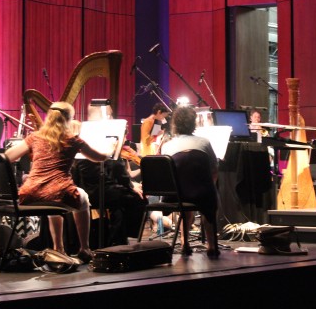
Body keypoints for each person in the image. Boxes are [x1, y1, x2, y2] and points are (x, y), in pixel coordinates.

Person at [5, 101, 113, 263]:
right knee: (82, 197)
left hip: (30, 193)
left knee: (51, 198)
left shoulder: (34, 137)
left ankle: (58, 248)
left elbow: (7, 156)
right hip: (59, 191)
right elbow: (99, 157)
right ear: (68, 119)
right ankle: (84, 248)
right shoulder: (72, 139)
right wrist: (110, 150)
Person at [73, 104, 148, 247]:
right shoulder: (105, 134)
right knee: (138, 198)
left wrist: (128, 185)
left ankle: (117, 239)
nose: (112, 117)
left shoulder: (83, 133)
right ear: (104, 114)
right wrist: (130, 186)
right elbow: (117, 167)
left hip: (85, 188)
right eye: (110, 114)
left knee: (119, 204)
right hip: (99, 190)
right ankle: (122, 240)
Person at [161, 106, 219, 257]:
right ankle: (212, 245)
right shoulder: (204, 143)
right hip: (202, 193)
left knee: (185, 204)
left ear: (174, 124)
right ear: (194, 123)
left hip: (176, 195)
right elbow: (214, 169)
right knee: (208, 202)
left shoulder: (167, 146)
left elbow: (165, 174)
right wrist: (209, 188)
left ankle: (184, 242)